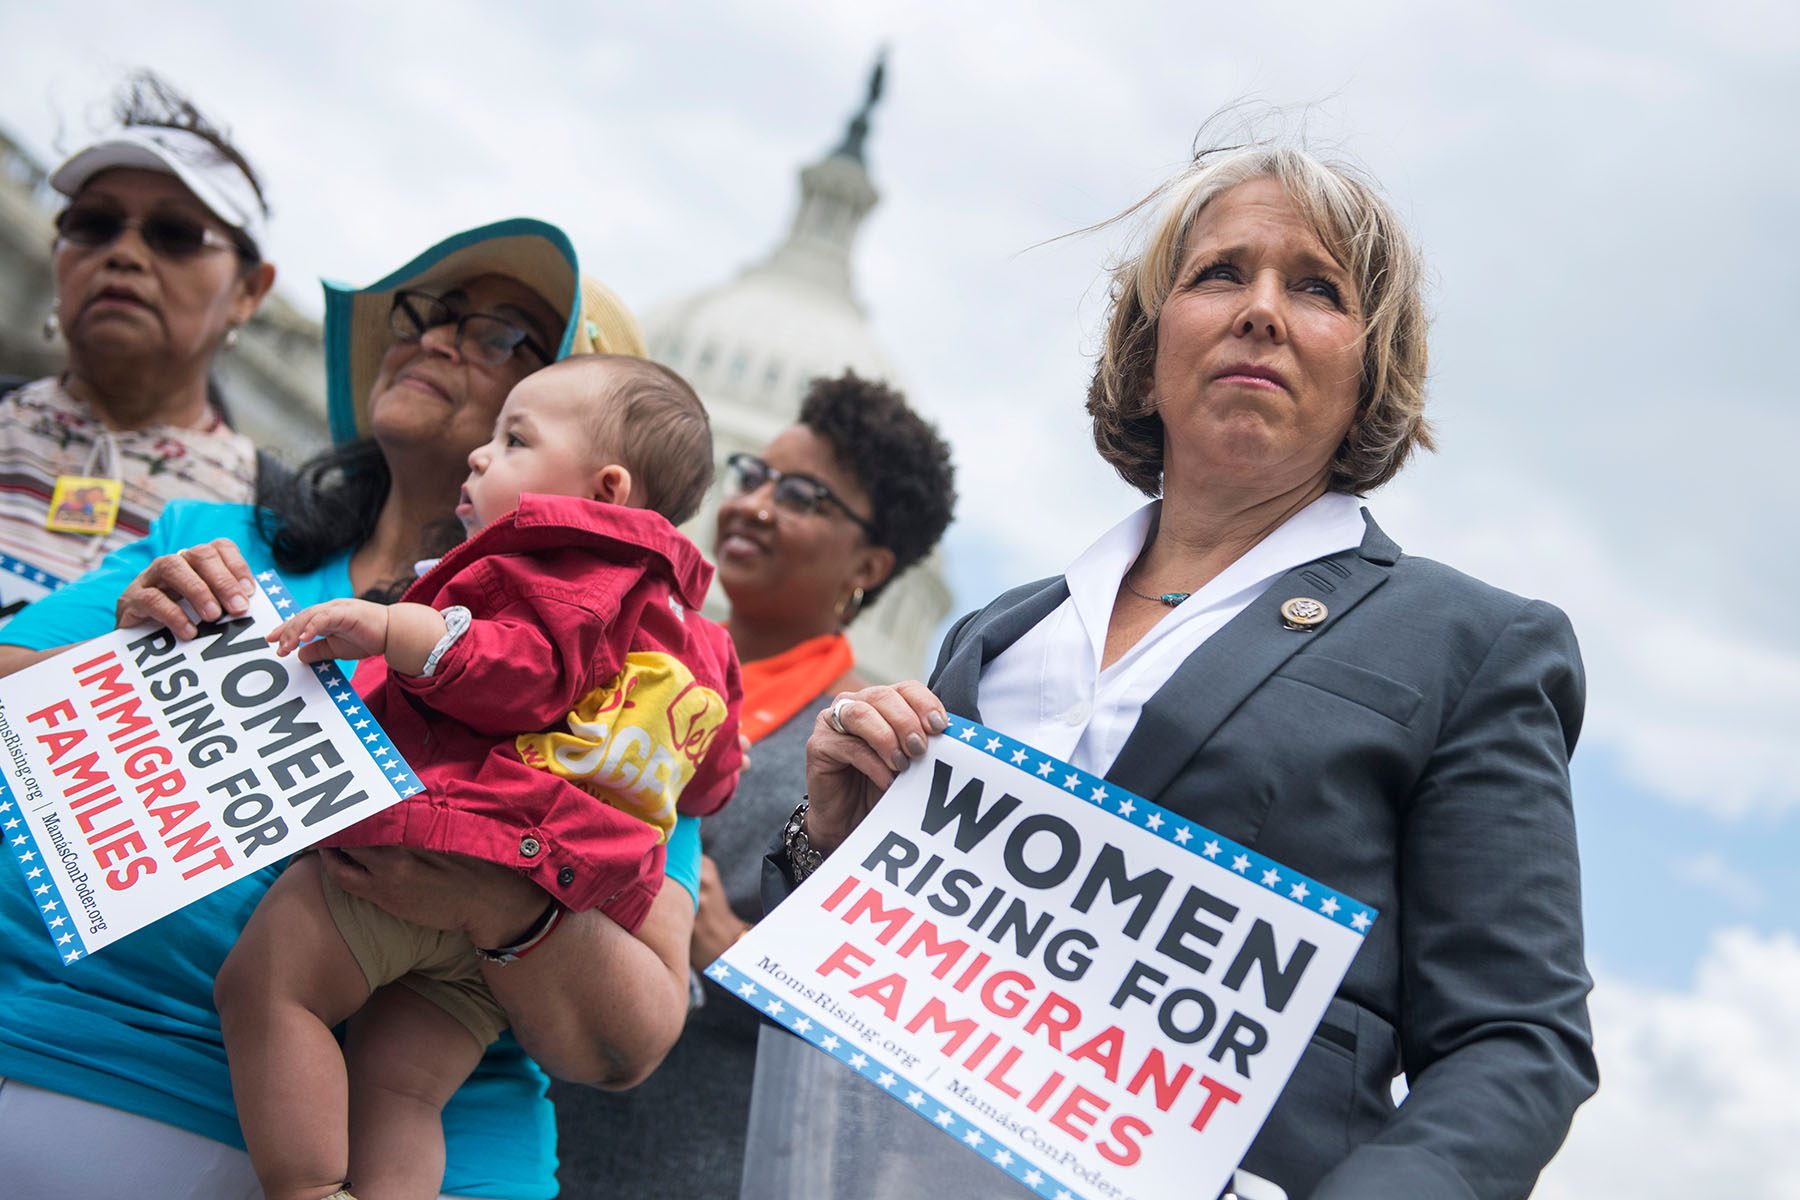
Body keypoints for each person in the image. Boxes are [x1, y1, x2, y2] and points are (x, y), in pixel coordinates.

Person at [765, 143, 1597, 1200]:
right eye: (1219, 274)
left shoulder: (1470, 644)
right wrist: (831, 842)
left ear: (1368, 367)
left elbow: (1516, 1041)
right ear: (1149, 347)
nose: (1261, 311)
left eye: (1316, 288)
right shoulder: (1000, 635)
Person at [0, 220, 699, 1200]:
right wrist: (120, 651)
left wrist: (493, 895)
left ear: (604, 473)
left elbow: (630, 1040)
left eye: (504, 335)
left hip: (429, 1149)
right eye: (426, 312)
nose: (439, 339)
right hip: (67, 1056)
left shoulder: (632, 674)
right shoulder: (207, 540)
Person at [218, 353, 744, 1200]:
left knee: (269, 990)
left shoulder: (557, 569)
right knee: (401, 1085)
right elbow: (712, 779)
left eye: (515, 438)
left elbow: (521, 673)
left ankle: (310, 1187)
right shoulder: (706, 646)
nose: (479, 454)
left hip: (435, 841)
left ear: (606, 491)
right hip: (546, 916)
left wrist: (396, 628)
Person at [552, 371, 956, 1199]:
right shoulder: (630, 653)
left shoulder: (877, 756)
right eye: (755, 476)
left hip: (672, 1160)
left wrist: (724, 942)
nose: (756, 506)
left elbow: (868, 1021)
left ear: (870, 565)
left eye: (804, 496)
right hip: (508, 1107)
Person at [0, 72, 276, 619]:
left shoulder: (276, 527)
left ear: (248, 291)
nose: (123, 253)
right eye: (93, 223)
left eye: (174, 234)